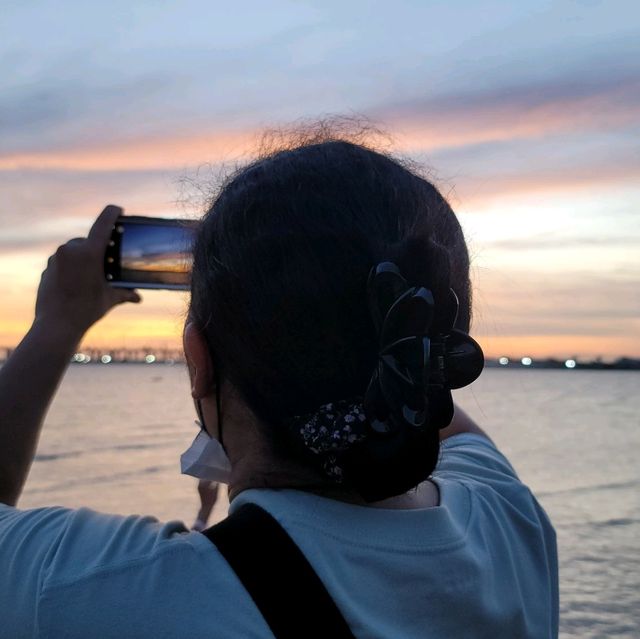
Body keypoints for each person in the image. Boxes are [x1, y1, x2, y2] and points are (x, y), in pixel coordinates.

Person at [0, 129, 558, 638]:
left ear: (199, 360)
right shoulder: (510, 524)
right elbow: (421, 380)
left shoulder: (110, 595)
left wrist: (58, 323)